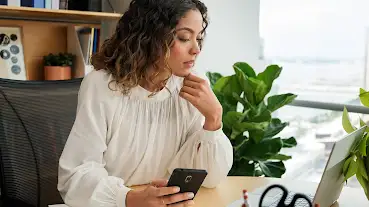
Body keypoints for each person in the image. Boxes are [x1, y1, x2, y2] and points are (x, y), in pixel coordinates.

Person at [57, 0, 233, 206]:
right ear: (151, 37)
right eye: (184, 38)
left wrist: (213, 119)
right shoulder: (102, 85)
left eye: (199, 38)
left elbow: (210, 179)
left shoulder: (191, 86)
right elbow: (77, 174)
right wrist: (130, 198)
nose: (196, 49)